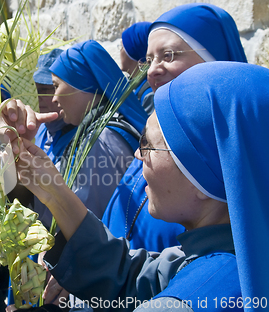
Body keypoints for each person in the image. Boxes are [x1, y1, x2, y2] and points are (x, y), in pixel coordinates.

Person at [14, 61, 268, 311]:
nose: (137, 154)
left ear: (202, 175)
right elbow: (133, 281)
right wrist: (52, 189)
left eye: (147, 143)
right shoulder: (230, 255)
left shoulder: (183, 301)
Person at [102, 3, 247, 252]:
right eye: (149, 60)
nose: (153, 71)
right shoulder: (155, 135)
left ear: (214, 59)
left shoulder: (234, 152)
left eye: (168, 55)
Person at [33, 40, 147, 227]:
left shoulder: (101, 140)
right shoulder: (99, 130)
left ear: (80, 84)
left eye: (55, 86)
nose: (54, 98)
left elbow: (85, 220)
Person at [33, 48, 77, 164]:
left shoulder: (80, 139)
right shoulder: (38, 129)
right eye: (34, 89)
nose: (37, 96)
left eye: (45, 89)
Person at [119, 22, 154, 115]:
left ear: (132, 52)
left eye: (122, 46)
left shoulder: (149, 94)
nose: (120, 50)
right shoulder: (133, 86)